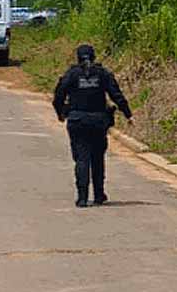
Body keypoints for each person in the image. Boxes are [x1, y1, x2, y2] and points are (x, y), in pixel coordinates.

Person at [52, 44, 133, 208]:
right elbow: (116, 95)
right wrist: (128, 113)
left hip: (77, 122)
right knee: (97, 158)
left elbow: (58, 95)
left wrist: (61, 113)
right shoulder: (102, 74)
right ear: (94, 57)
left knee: (82, 159)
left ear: (78, 57)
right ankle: (98, 195)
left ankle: (82, 198)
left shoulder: (72, 74)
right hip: (98, 122)